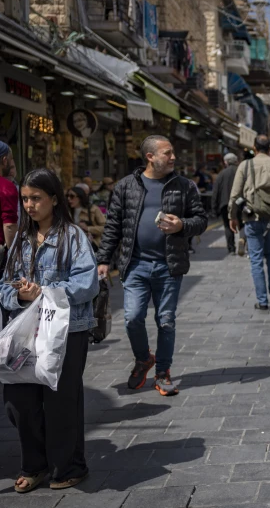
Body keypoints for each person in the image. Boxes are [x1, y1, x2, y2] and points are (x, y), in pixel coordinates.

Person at [0, 168, 99, 493]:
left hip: (67, 331)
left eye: (36, 198)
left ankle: (69, 466)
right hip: (26, 331)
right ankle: (35, 464)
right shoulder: (21, 241)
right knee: (18, 402)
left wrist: (43, 290)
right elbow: (4, 286)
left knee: (61, 402)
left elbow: (87, 282)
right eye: (25, 199)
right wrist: (18, 293)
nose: (29, 205)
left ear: (53, 199)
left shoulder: (72, 236)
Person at [96, 135, 208, 397]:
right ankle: (144, 359)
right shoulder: (125, 187)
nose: (173, 157)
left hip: (169, 265)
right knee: (133, 317)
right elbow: (113, 225)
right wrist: (103, 259)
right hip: (135, 265)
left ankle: (163, 372)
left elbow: (201, 220)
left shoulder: (184, 186)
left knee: (166, 320)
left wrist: (182, 225)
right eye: (167, 153)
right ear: (150, 157)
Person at [229, 135, 270, 310]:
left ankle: (262, 301)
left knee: (256, 259)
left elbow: (235, 195)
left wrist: (232, 216)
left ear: (254, 148)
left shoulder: (245, 165)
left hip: (252, 216)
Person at [0, 140, 19, 272]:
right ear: (4, 161)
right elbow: (9, 226)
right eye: (10, 159)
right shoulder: (6, 186)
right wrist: (15, 255)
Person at [212, 153, 240, 254]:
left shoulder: (221, 174)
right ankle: (243, 241)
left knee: (228, 226)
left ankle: (231, 248)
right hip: (240, 203)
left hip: (225, 204)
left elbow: (216, 191)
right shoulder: (240, 171)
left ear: (225, 162)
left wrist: (214, 208)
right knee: (243, 224)